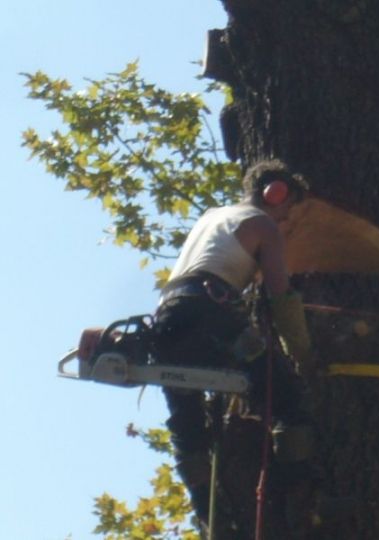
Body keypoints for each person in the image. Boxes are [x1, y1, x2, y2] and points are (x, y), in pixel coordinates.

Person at [78, 159, 316, 532]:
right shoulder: (263, 224)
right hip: (212, 314)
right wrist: (303, 352)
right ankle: (298, 499)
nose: (285, 221)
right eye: (287, 210)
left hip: (167, 318)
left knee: (187, 425)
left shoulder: (213, 217)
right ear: (276, 194)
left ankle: (212, 519)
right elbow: (280, 296)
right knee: (285, 395)